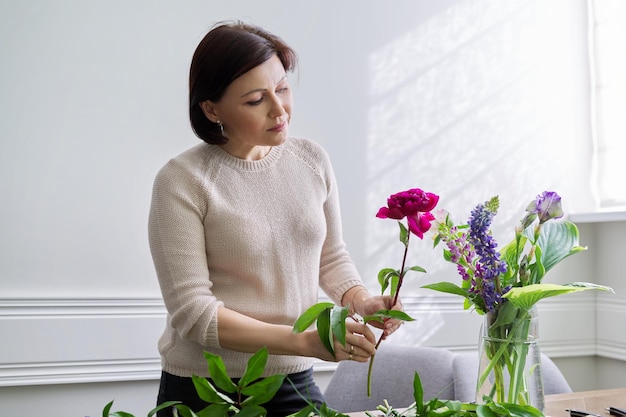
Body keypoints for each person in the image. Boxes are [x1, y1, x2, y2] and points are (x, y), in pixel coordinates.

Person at [148, 21, 404, 416]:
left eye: (282, 88)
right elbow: (194, 313)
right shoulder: (181, 181)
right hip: (206, 387)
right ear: (212, 108)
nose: (279, 108)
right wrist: (302, 340)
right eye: (255, 100)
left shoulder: (312, 161)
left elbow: (330, 257)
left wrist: (362, 301)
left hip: (293, 377)